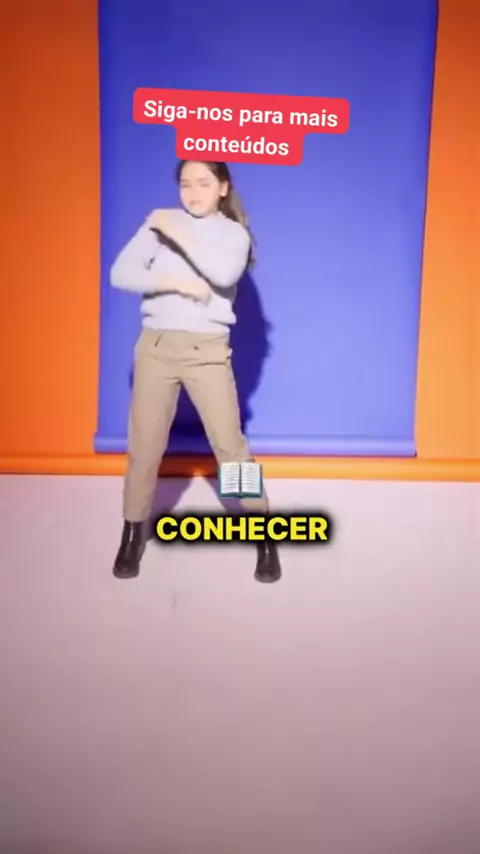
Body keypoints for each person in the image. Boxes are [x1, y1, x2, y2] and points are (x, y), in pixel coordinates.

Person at [109, 159, 281, 583]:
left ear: (223, 187)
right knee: (144, 448)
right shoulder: (159, 225)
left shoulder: (232, 234)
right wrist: (175, 283)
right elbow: (121, 273)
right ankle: (132, 534)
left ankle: (264, 534)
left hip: (207, 350)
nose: (192, 192)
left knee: (230, 448)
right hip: (156, 348)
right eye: (185, 184)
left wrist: (174, 231)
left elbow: (222, 274)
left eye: (203, 183)